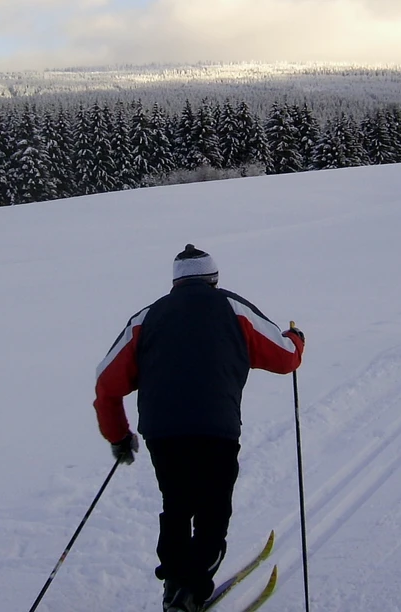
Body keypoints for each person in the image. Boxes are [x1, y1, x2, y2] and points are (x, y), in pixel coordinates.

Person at [92, 244, 305, 612]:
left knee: (176, 504)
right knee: (212, 508)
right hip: (216, 427)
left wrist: (119, 436)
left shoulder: (147, 317)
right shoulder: (232, 308)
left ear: (175, 283)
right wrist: (297, 339)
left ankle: (175, 586)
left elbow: (106, 382)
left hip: (164, 432)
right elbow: (285, 358)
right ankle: (193, 590)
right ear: (214, 278)